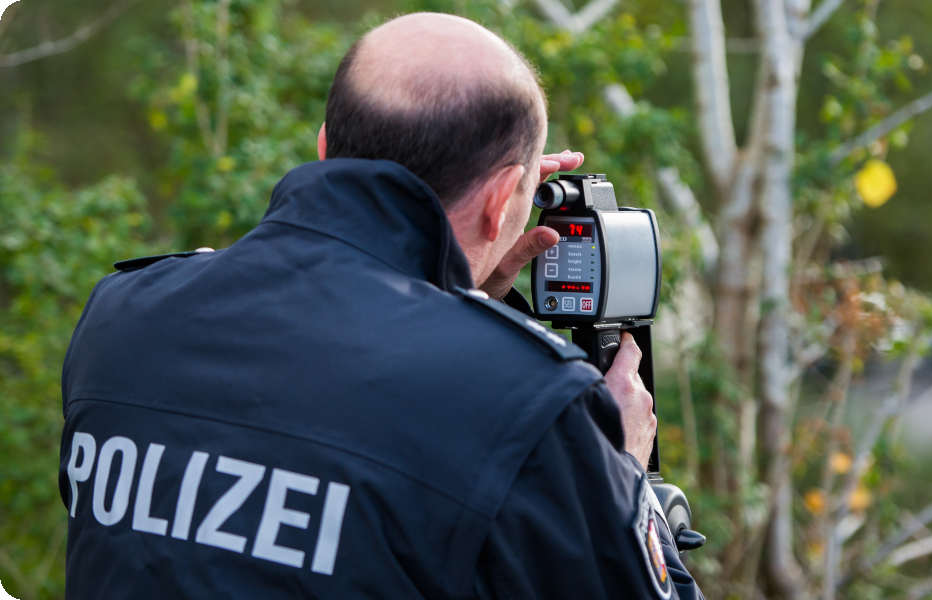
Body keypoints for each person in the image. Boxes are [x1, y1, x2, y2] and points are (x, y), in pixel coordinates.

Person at [58, 11, 703, 600]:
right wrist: (621, 477)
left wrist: (458, 305)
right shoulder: (526, 400)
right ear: (506, 198)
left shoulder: (123, 315)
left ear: (322, 145)